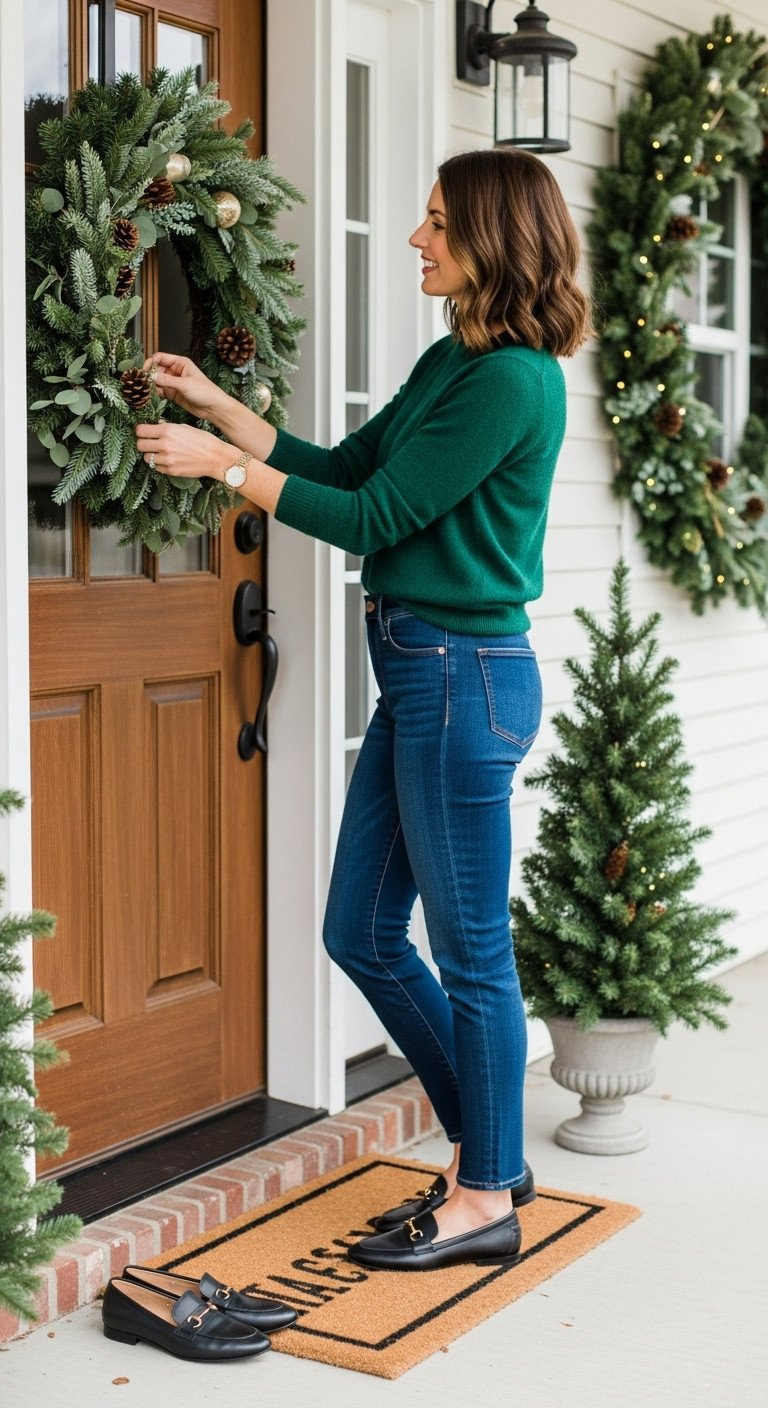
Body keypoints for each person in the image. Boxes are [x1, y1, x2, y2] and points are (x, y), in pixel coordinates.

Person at [136, 146, 595, 1273]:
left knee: (472, 953)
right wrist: (220, 408)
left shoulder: (514, 379)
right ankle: (493, 1158)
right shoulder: (458, 359)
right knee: (362, 932)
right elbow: (346, 467)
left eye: (437, 220)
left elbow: (372, 518)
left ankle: (485, 1194)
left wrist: (219, 467)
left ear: (493, 236)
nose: (416, 238)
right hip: (424, 677)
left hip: (460, 677)